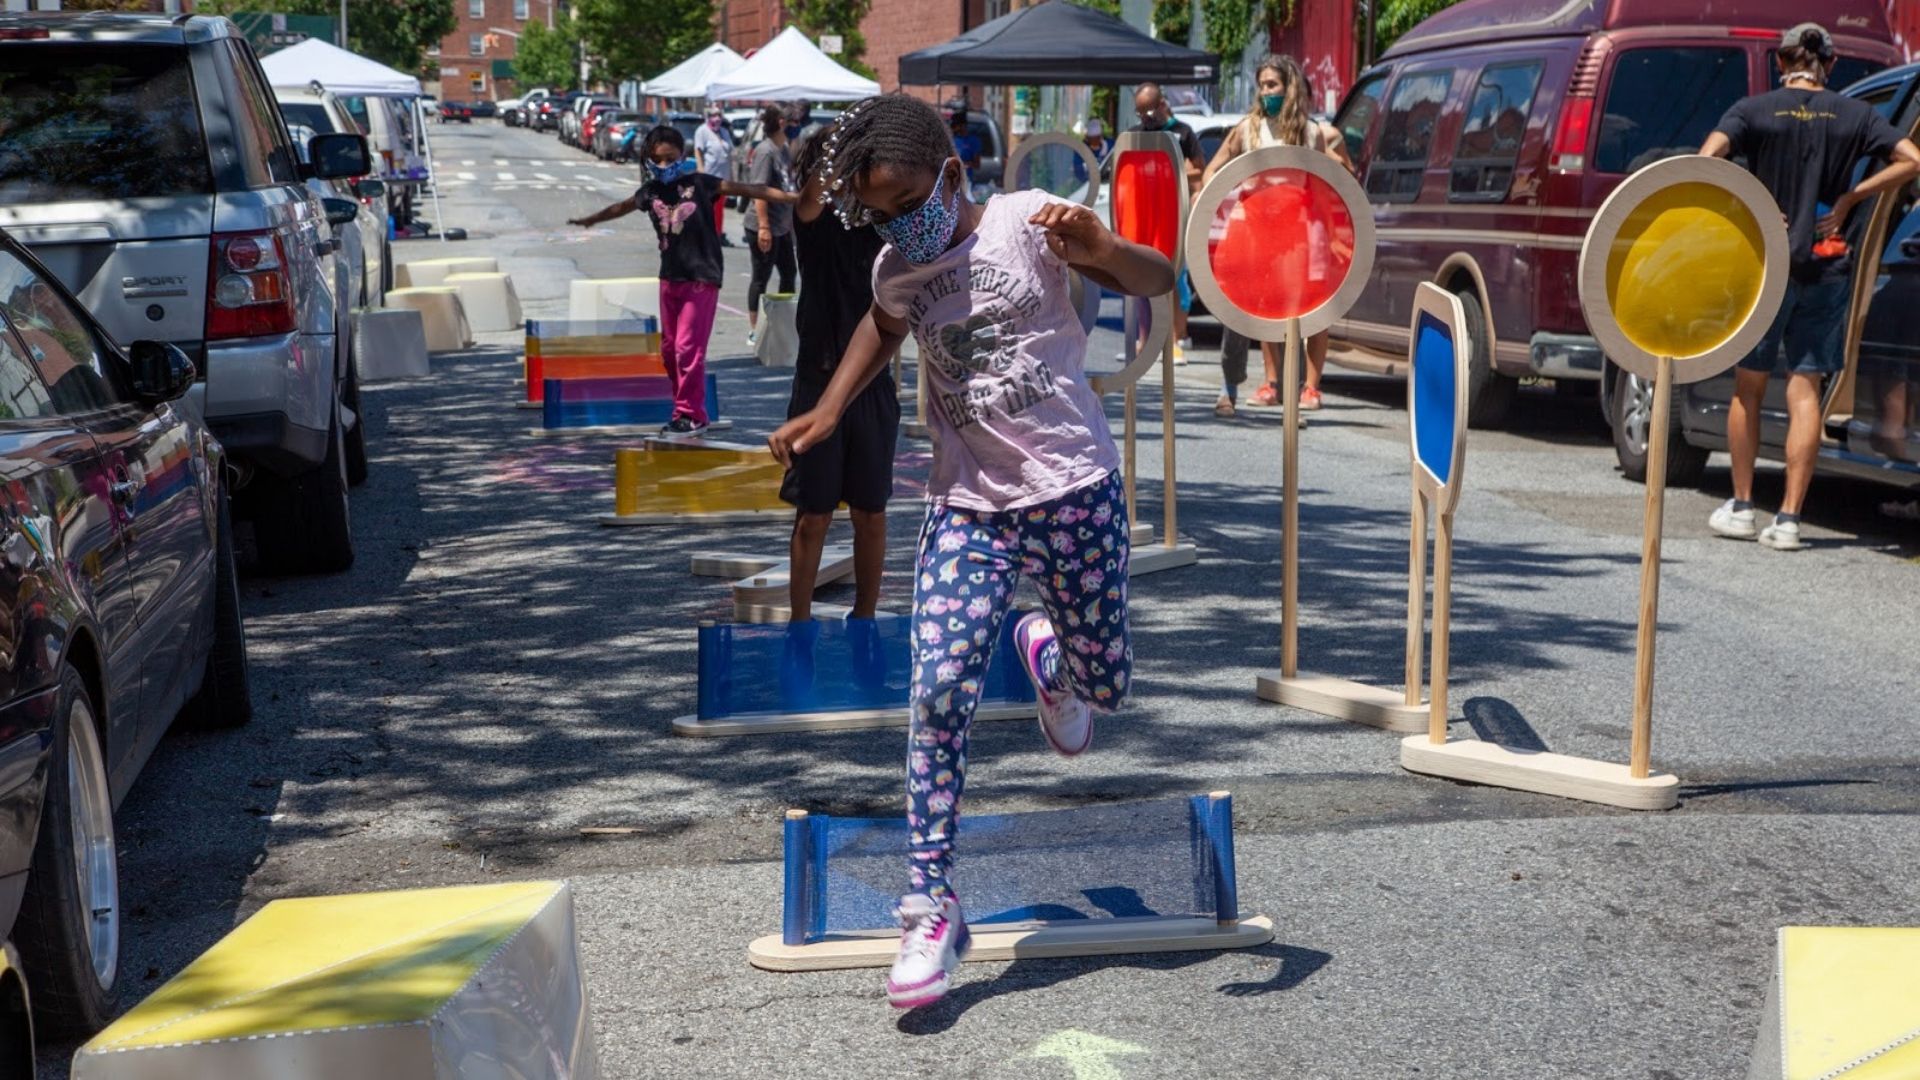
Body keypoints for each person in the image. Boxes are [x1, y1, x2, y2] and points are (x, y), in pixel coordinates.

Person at [767, 93, 1174, 1009]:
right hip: (969, 507)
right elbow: (881, 326)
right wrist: (830, 410)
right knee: (939, 686)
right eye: (879, 214)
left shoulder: (1032, 221)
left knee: (1109, 687)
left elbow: (1154, 279)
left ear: (951, 175)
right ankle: (931, 906)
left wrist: (1104, 252)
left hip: (1074, 490)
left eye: (910, 202)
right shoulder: (896, 268)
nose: (900, 225)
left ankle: (1056, 665)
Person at [1700, 22, 1919, 551]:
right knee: (1806, 391)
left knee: (1748, 388)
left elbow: (1707, 162)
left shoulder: (1752, 111)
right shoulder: (1856, 115)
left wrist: (1751, 200)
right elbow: (1912, 160)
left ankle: (1743, 507)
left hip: (1766, 267)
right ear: (1832, 64)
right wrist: (1851, 200)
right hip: (1828, 263)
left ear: (1781, 62)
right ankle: (1791, 519)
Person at [757, 114, 900, 622]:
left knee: (870, 512)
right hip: (818, 384)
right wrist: (838, 150)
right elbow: (812, 200)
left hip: (871, 386)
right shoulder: (814, 224)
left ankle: (864, 615)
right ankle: (800, 619)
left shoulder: (884, 226)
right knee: (814, 514)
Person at [566, 125, 790, 436]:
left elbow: (750, 189)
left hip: (703, 275)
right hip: (670, 277)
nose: (663, 166)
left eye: (669, 159)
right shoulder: (651, 192)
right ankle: (682, 410)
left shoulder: (699, 183)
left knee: (688, 347)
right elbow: (621, 207)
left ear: (681, 157)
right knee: (670, 351)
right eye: (656, 160)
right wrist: (591, 219)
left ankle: (692, 414)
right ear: (646, 161)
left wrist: (793, 197)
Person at [1203, 55, 1355, 415]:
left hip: (1299, 230)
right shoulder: (1247, 129)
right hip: (1255, 229)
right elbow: (1213, 172)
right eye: (1262, 85)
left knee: (1304, 309)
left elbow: (1334, 185)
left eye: (1272, 85)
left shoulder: (1311, 132)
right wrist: (1211, 202)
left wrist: (1336, 232)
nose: (1265, 92)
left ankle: (1302, 388)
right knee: (1252, 308)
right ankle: (1252, 384)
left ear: (1289, 88)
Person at [1131, 82, 1205, 366]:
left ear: (1162, 104)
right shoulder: (1137, 135)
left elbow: (1200, 167)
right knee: (1140, 277)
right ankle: (1144, 339)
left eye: (1149, 111)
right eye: (1140, 114)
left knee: (1174, 277)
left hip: (1174, 214)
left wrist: (1174, 170)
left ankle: (1175, 339)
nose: (1146, 119)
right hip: (1144, 215)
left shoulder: (1182, 132)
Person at [742, 104, 797, 347]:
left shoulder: (783, 149)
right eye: (793, 121)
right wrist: (764, 227)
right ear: (782, 123)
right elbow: (759, 191)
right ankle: (754, 329)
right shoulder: (765, 151)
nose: (798, 126)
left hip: (782, 227)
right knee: (760, 277)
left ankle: (782, 323)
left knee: (789, 274)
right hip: (763, 225)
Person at [692, 105, 735, 246]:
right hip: (709, 175)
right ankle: (706, 234)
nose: (716, 118)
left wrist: (732, 175)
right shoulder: (702, 131)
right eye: (713, 115)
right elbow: (698, 150)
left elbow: (730, 153)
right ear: (707, 116)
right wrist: (700, 168)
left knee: (719, 208)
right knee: (708, 206)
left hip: (723, 176)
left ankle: (718, 233)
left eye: (718, 115)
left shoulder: (724, 131)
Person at [949, 109, 982, 184]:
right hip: (952, 180)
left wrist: (966, 164)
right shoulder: (952, 139)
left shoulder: (973, 141)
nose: (954, 129)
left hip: (966, 180)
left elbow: (977, 164)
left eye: (956, 126)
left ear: (963, 125)